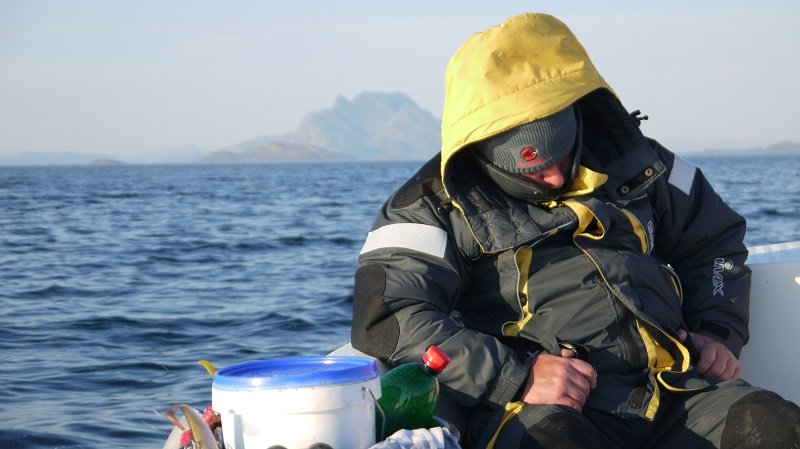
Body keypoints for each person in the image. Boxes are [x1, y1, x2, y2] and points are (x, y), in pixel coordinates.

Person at [351, 12, 800, 449]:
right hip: (542, 411)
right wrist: (516, 376)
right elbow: (389, 315)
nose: (552, 176)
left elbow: (715, 244)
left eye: (560, 153)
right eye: (530, 167)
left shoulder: (643, 162)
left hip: (676, 392)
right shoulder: (428, 205)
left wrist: (716, 329)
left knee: (774, 424)